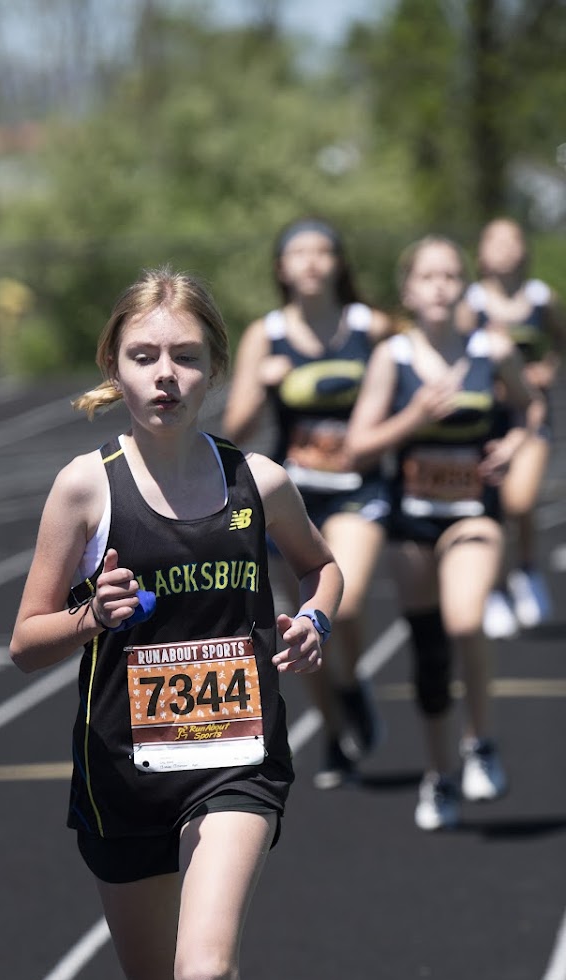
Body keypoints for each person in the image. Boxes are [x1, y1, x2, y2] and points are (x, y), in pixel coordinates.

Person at [10, 267, 343, 980]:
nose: (166, 375)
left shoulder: (259, 480)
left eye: (186, 357)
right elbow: (24, 641)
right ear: (114, 367)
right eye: (145, 355)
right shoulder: (85, 488)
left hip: (236, 759)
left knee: (204, 972)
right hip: (124, 775)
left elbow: (322, 568)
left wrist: (314, 620)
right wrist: (91, 616)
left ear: (216, 368)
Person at [346, 235, 540, 831]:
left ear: (465, 287)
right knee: (430, 651)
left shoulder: (492, 350)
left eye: (451, 275)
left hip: (473, 513)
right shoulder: (392, 357)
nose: (439, 286)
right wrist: (413, 418)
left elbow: (531, 407)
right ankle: (439, 774)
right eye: (427, 276)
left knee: (465, 619)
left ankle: (481, 741)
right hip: (411, 522)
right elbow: (357, 448)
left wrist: (514, 442)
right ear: (407, 290)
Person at [222, 218, 392, 790]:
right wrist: (265, 384)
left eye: (323, 251)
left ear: (339, 263)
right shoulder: (266, 334)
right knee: (300, 625)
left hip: (359, 488)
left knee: (346, 597)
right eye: (300, 252)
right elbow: (236, 427)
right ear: (281, 268)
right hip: (292, 496)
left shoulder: (372, 327)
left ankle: (350, 682)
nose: (312, 262)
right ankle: (336, 729)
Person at [464, 218, 566, 636]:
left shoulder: (542, 299)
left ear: (524, 249)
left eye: (513, 240)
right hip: (487, 419)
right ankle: (495, 587)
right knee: (489, 506)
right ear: (481, 252)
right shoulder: (470, 302)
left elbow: (560, 340)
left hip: (530, 415)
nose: (505, 248)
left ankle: (527, 568)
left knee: (519, 502)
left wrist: (547, 368)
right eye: (495, 240)